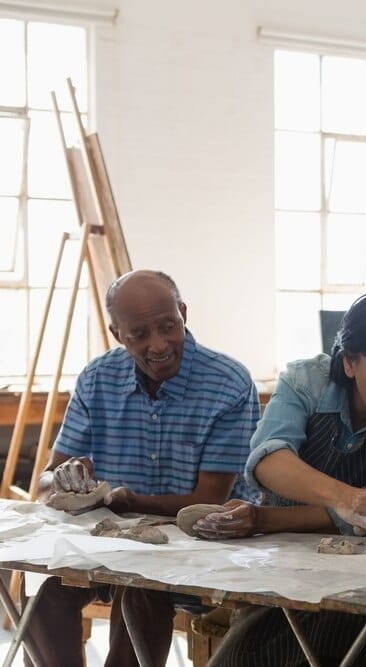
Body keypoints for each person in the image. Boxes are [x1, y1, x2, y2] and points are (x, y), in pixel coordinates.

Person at [195, 290, 366, 667]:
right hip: (282, 570)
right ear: (349, 362)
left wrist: (263, 519)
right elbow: (269, 460)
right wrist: (345, 498)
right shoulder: (306, 380)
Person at [27, 269, 259, 667]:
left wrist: (128, 502)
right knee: (43, 601)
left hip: (203, 547)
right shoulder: (98, 378)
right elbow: (47, 482)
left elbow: (210, 500)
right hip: (111, 548)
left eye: (169, 326)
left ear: (184, 313)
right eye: (139, 335)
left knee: (137, 598)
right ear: (118, 334)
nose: (159, 345)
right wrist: (63, 480)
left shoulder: (228, 383)